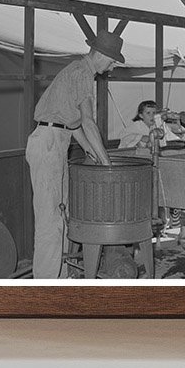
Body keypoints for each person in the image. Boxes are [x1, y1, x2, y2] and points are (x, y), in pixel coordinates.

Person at [24, 29, 123, 279]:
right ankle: (46, 289)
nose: (112, 66)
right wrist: (107, 162)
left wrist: (92, 151)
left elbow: (72, 123)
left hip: (57, 140)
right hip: (48, 143)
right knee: (50, 222)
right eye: (111, 60)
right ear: (99, 54)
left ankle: (62, 275)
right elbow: (88, 122)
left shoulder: (76, 71)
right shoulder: (81, 73)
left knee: (63, 211)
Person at [118, 100, 185, 151]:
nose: (152, 116)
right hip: (132, 156)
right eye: (148, 113)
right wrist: (140, 137)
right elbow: (124, 136)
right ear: (141, 115)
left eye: (154, 113)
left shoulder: (157, 124)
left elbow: (177, 130)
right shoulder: (136, 126)